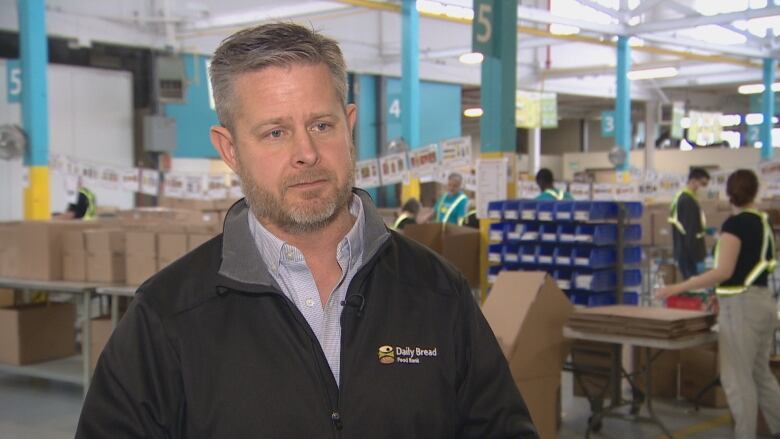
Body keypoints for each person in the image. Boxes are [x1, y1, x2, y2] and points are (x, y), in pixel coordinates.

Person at [76, 23, 537, 438]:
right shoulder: (166, 316)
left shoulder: (438, 291)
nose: (307, 153)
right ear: (230, 149)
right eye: (275, 133)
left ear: (349, 126)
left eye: (321, 124)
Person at [658, 169, 780, 439]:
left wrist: (676, 287)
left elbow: (723, 271)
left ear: (729, 193)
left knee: (737, 380)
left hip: (742, 309)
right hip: (763, 303)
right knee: (761, 375)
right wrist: (720, 292)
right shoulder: (764, 222)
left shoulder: (734, 226)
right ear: (755, 192)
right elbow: (751, 267)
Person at [669, 168, 710, 280]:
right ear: (693, 181)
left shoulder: (685, 198)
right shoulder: (687, 201)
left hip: (685, 250)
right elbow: (689, 230)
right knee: (693, 286)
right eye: (703, 184)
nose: (704, 188)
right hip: (689, 253)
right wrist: (696, 257)